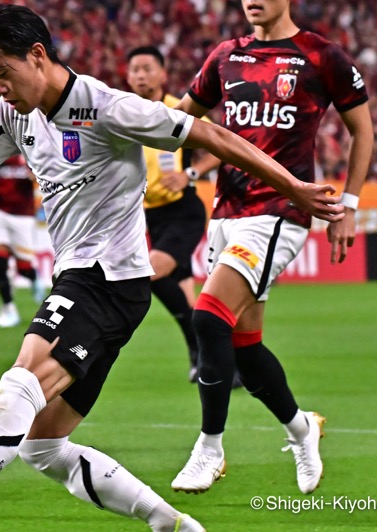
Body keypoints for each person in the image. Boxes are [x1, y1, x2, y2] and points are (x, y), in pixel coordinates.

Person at [0, 5, 343, 531]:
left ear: (37, 55)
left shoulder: (106, 107)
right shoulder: (13, 114)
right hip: (90, 281)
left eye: (2, 74)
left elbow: (211, 135)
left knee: (23, 379)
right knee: (42, 445)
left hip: (105, 277)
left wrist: (293, 187)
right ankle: (171, 523)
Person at [170, 0, 373, 496]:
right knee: (244, 347)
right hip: (226, 212)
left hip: (280, 212)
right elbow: (179, 119)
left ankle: (210, 449)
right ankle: (304, 429)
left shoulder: (322, 56)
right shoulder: (225, 56)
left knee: (207, 317)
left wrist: (348, 205)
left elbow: (361, 130)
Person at [126, 46, 217, 384]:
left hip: (183, 211)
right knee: (189, 302)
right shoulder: (124, 113)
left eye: (148, 68)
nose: (140, 75)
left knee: (149, 273)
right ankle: (213, 361)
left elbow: (220, 145)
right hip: (150, 216)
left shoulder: (177, 109)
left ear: (163, 74)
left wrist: (190, 174)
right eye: (135, 68)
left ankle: (204, 354)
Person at [0, 155, 46, 328]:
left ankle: (33, 276)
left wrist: (34, 173)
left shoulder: (33, 152)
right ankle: (8, 307)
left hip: (23, 217)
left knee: (23, 268)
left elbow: (44, 178)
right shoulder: (2, 151)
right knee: (0, 261)